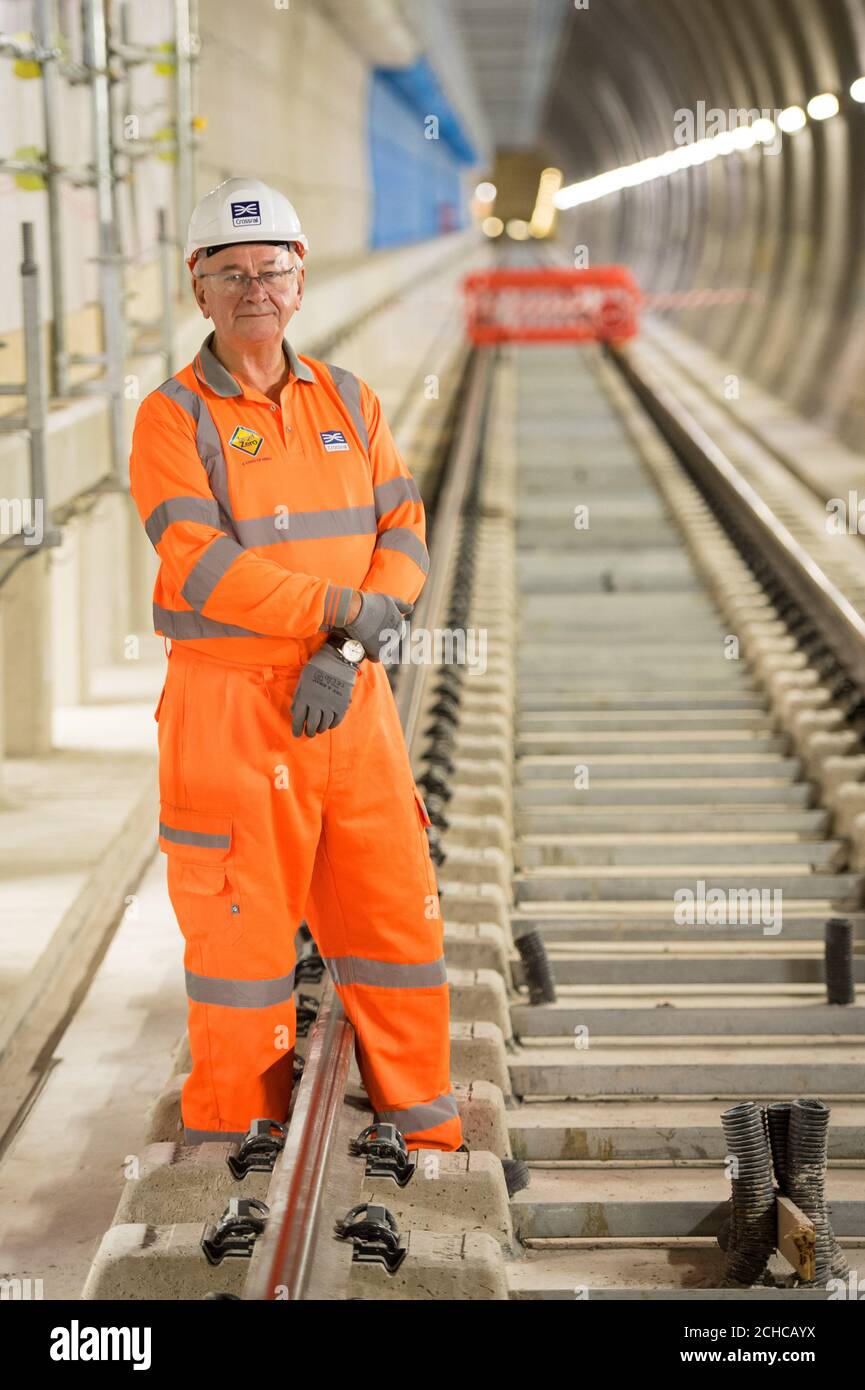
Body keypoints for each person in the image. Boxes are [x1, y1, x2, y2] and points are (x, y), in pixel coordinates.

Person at [129, 176, 462, 1152]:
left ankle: (425, 1131)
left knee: (393, 915)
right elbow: (202, 563)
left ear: (299, 280)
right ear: (199, 290)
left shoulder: (350, 402)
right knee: (241, 940)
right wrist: (345, 612)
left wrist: (350, 643)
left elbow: (402, 524)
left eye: (270, 270)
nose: (253, 290)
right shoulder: (172, 416)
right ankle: (238, 1145)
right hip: (229, 716)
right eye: (229, 274)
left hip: (347, 702)